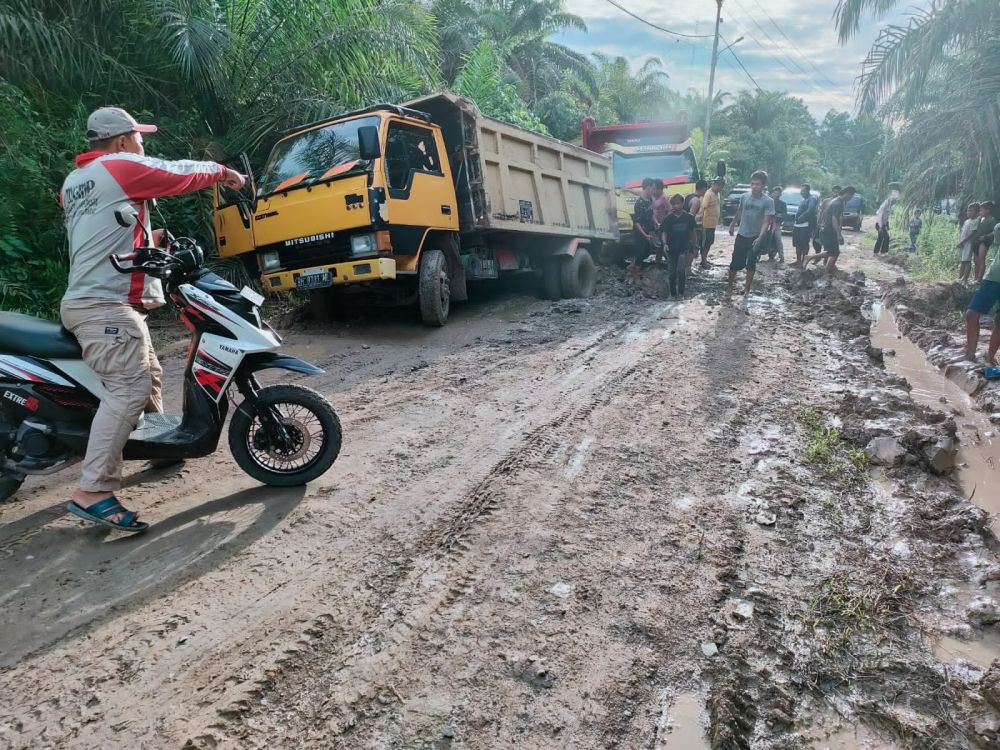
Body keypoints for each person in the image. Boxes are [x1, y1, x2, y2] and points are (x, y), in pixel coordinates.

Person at [60, 107, 245, 532]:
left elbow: (101, 230)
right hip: (103, 303)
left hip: (99, 299)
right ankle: (93, 491)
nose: (144, 144)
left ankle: (157, 447)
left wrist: (149, 240)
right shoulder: (119, 166)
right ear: (122, 140)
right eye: (139, 137)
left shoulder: (76, 182)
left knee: (150, 373)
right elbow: (175, 172)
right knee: (129, 387)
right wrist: (221, 172)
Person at [727, 170, 774, 296]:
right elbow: (740, 212)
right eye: (752, 184)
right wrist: (732, 224)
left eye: (757, 184)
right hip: (742, 234)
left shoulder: (768, 201)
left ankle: (747, 289)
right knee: (735, 262)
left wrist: (760, 237)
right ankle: (730, 286)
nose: (754, 187)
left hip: (755, 237)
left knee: (751, 262)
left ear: (763, 186)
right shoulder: (745, 197)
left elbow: (766, 221)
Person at [963, 218, 1000, 365]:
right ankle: (970, 355)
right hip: (994, 277)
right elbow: (997, 231)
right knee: (971, 315)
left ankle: (990, 358)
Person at [803, 186, 856, 272]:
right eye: (851, 196)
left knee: (833, 252)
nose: (851, 198)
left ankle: (828, 270)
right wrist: (838, 234)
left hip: (827, 229)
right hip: (829, 231)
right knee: (833, 252)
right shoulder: (837, 203)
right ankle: (810, 258)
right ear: (847, 194)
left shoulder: (837, 201)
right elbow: (834, 219)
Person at [660, 193, 697, 297]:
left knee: (681, 270)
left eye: (678, 203)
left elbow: (692, 233)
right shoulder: (668, 219)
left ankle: (681, 293)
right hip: (671, 249)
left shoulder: (688, 218)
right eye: (673, 204)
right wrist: (665, 244)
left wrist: (694, 247)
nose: (675, 206)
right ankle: (672, 294)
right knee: (672, 273)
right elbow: (664, 232)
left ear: (682, 203)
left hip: (683, 248)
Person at [630, 177, 657, 279]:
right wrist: (644, 235)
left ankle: (633, 266)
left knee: (648, 251)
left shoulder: (649, 199)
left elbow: (651, 214)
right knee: (640, 251)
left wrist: (656, 222)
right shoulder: (639, 203)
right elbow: (637, 222)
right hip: (640, 231)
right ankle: (635, 271)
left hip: (648, 229)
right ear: (648, 188)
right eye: (653, 189)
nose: (654, 191)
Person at [696, 176, 723, 268]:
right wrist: (699, 222)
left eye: (722, 186)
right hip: (706, 224)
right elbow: (703, 208)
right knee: (705, 243)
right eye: (719, 186)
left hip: (712, 224)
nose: (721, 188)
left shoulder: (717, 194)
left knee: (709, 242)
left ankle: (705, 259)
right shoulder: (709, 194)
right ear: (715, 185)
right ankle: (703, 261)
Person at [790, 184, 818, 266]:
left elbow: (811, 209)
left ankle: (803, 261)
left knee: (804, 243)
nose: (801, 192)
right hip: (797, 225)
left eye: (803, 191)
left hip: (805, 225)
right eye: (801, 191)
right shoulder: (803, 200)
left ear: (808, 190)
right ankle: (798, 260)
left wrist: (803, 215)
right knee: (797, 243)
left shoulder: (812, 199)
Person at [684, 180, 708, 274]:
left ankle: (685, 268)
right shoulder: (696, 200)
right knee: (692, 247)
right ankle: (688, 269)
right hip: (687, 226)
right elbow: (690, 217)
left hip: (682, 225)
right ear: (704, 189)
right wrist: (692, 232)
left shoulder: (688, 196)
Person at [972, 201, 998, 282]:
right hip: (976, 241)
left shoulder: (992, 220)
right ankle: (975, 278)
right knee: (975, 260)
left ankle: (979, 279)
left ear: (988, 210)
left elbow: (994, 232)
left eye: (981, 210)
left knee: (981, 259)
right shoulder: (980, 219)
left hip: (984, 242)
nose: (980, 212)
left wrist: (985, 237)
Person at [955, 202, 981, 282]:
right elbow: (963, 232)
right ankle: (960, 277)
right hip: (963, 243)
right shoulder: (967, 221)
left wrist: (962, 241)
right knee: (962, 260)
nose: (968, 212)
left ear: (977, 212)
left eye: (971, 211)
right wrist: (959, 240)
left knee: (967, 261)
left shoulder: (976, 221)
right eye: (968, 210)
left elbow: (971, 234)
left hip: (968, 243)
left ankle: (965, 278)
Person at [767, 186, 787, 262]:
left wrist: (777, 215)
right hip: (767, 223)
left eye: (778, 193)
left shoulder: (782, 204)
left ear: (780, 194)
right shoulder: (768, 202)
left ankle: (782, 256)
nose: (776, 194)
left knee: (778, 239)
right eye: (775, 193)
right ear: (773, 193)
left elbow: (784, 215)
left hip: (776, 224)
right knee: (763, 237)